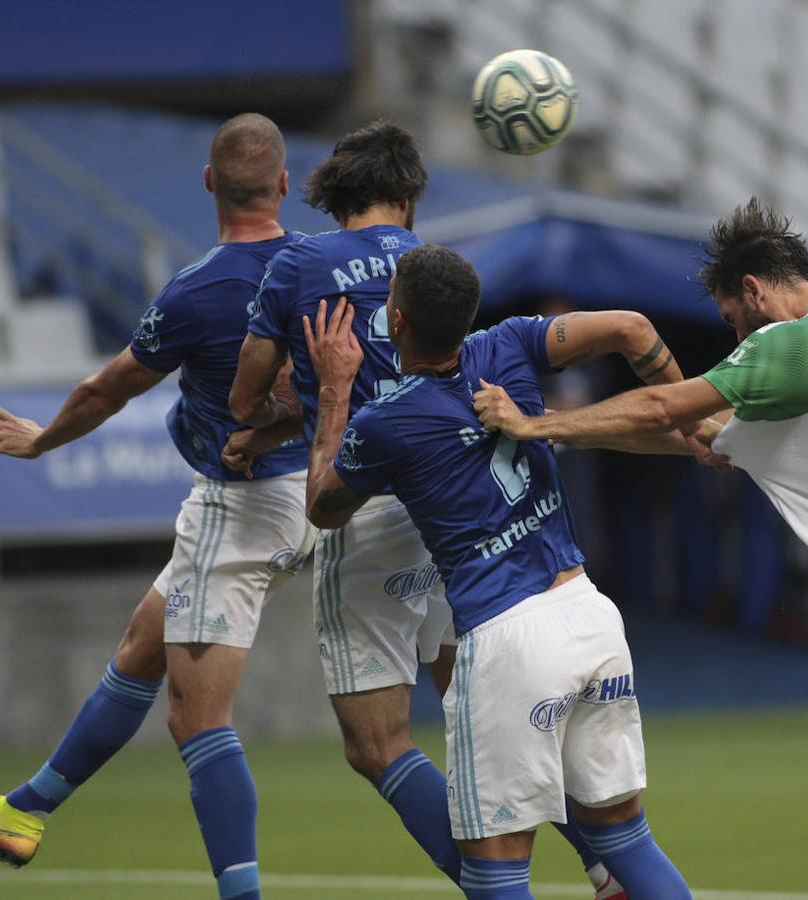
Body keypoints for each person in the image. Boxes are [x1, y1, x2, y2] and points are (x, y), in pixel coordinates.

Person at [474, 198, 808, 900]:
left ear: (753, 291)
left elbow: (669, 409)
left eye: (732, 321)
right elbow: (697, 435)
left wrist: (534, 426)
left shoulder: (786, 346)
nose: (736, 337)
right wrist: (553, 424)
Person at [229, 120, 624, 899]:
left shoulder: (298, 265)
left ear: (333, 195)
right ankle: (608, 865)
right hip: (452, 509)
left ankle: (491, 882)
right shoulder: (428, 267)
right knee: (483, 707)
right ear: (408, 197)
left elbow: (246, 397)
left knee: (376, 742)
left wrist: (294, 407)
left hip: (366, 503)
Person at [0, 113, 309, 900]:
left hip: (243, 503)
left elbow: (109, 388)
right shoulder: (320, 264)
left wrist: (41, 442)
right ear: (286, 184)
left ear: (208, 184)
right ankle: (26, 810)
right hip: (325, 491)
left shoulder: (199, 288)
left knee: (198, 721)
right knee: (142, 643)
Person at [305, 244, 693, 899]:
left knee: (497, 871)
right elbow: (632, 329)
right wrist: (691, 416)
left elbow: (323, 507)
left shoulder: (384, 424)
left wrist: (334, 391)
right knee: (627, 843)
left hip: (508, 638)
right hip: (589, 614)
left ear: (395, 322)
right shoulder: (511, 343)